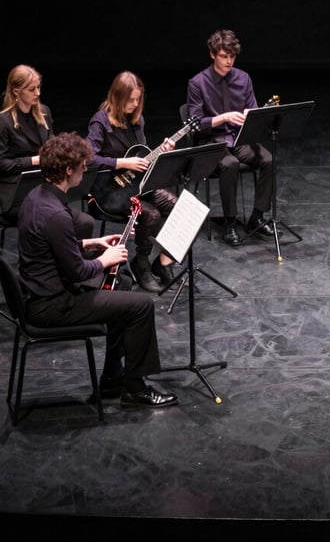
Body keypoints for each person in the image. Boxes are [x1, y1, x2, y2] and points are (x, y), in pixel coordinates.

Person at [17, 132, 177, 407]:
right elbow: (79, 272)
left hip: (43, 290)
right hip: (53, 304)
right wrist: (107, 258)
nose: (85, 170)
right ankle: (136, 388)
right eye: (82, 165)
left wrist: (92, 243)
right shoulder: (55, 213)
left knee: (123, 284)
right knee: (141, 305)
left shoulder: (37, 196)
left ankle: (113, 379)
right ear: (68, 170)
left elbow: (54, 245)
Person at [86, 71, 178, 293]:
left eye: (138, 99)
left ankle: (164, 261)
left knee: (178, 206)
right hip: (109, 191)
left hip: (136, 185)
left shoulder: (137, 120)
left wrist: (161, 152)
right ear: (117, 97)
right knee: (151, 214)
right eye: (130, 99)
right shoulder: (101, 121)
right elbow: (88, 158)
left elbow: (142, 155)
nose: (135, 104)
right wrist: (121, 163)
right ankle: (142, 263)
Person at [186, 28, 278, 246]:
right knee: (230, 164)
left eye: (232, 57)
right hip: (212, 143)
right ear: (212, 54)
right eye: (223, 56)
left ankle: (257, 216)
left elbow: (254, 111)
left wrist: (251, 116)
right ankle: (229, 222)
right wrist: (222, 118)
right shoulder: (198, 83)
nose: (228, 62)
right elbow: (195, 124)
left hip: (237, 139)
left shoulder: (243, 79)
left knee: (268, 160)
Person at [0, 64, 94, 240]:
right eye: (31, 89)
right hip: (15, 196)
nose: (38, 93)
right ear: (15, 91)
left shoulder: (43, 113)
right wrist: (34, 161)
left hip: (43, 188)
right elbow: (1, 164)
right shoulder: (3, 122)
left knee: (84, 223)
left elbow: (52, 147)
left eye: (38, 87)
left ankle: (72, 264)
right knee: (58, 222)